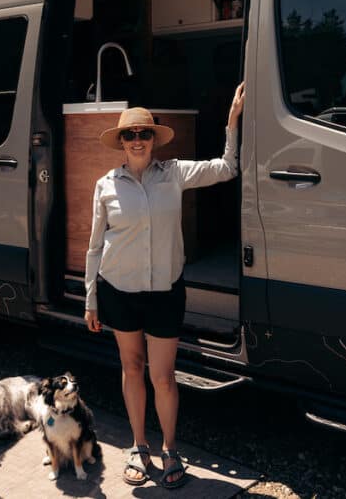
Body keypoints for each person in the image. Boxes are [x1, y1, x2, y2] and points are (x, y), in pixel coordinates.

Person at [83, 82, 245, 489]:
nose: (137, 140)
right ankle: (139, 446)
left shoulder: (174, 174)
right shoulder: (106, 185)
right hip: (118, 290)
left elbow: (227, 168)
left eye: (144, 133)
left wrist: (232, 121)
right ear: (121, 141)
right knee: (131, 367)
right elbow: (94, 245)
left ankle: (170, 450)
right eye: (130, 135)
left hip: (165, 292)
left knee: (164, 376)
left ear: (153, 139)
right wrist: (90, 299)